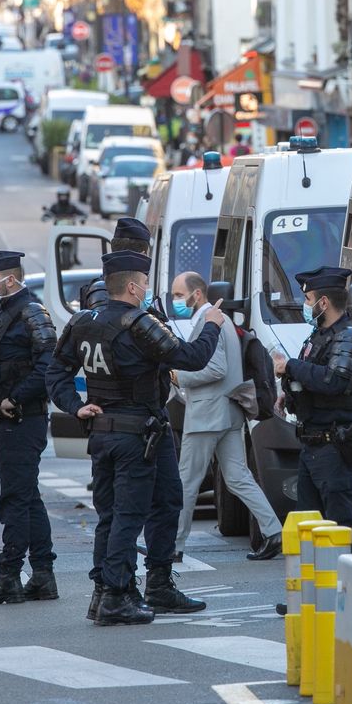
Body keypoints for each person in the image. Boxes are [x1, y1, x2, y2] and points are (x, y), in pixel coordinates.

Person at [46, 250, 225, 625]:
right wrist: (212, 324)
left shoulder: (82, 322)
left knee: (159, 503)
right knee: (128, 515)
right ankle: (114, 594)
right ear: (131, 286)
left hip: (118, 430)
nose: (147, 289)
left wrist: (74, 405)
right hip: (136, 433)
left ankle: (153, 587)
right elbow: (191, 358)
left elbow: (56, 371)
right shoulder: (138, 323)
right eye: (144, 283)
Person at [170, 272, 282, 561]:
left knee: (187, 481)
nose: (175, 301)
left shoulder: (212, 323)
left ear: (197, 295)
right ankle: (274, 532)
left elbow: (215, 369)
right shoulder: (223, 321)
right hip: (228, 413)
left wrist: (178, 376)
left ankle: (173, 546)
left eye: (179, 295)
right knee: (238, 477)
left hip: (208, 414)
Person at [0, 250, 59, 605]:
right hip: (7, 418)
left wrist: (16, 398)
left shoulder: (31, 312)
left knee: (15, 498)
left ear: (10, 279)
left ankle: (9, 574)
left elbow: (48, 365)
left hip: (22, 418)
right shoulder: (5, 312)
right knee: (27, 497)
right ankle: (42, 574)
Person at [271, 266, 352, 550]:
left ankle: (350, 591)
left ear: (324, 303)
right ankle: (315, 594)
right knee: (310, 525)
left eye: (308, 300)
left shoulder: (350, 336)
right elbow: (312, 378)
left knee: (341, 525)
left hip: (335, 445)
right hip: (313, 444)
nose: (306, 307)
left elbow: (333, 381)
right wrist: (289, 393)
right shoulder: (320, 335)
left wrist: (291, 366)